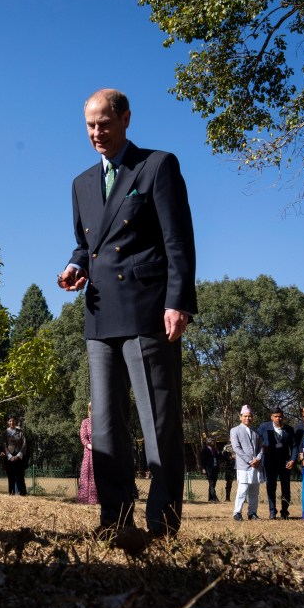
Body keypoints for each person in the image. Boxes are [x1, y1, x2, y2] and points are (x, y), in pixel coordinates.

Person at [57, 88, 197, 537]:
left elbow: (178, 241)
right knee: (105, 427)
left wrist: (178, 301)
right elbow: (87, 244)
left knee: (159, 423)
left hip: (148, 312)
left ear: (126, 119)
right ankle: (115, 520)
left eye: (104, 123)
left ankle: (162, 523)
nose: (96, 133)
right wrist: (75, 266)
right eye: (89, 126)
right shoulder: (80, 184)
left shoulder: (157, 165)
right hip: (99, 315)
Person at [258, 409, 294, 519]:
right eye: (276, 416)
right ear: (271, 417)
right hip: (269, 461)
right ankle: (272, 511)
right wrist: (262, 446)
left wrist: (292, 459)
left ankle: (284, 511)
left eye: (280, 416)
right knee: (271, 486)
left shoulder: (289, 429)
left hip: (284, 462)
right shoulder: (264, 427)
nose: (278, 418)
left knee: (286, 487)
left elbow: (294, 446)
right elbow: (255, 438)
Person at [230, 405, 264, 521]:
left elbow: (261, 448)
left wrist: (258, 459)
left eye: (249, 416)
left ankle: (252, 513)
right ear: (240, 417)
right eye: (245, 416)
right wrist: (250, 460)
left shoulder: (256, 432)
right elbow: (236, 448)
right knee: (242, 490)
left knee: (254, 491)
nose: (247, 418)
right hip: (244, 466)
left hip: (256, 466)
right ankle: (237, 513)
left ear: (252, 417)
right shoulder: (235, 430)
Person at [76, 403, 98, 504]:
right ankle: (87, 500)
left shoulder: (101, 421)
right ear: (89, 410)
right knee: (89, 476)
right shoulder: (85, 422)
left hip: (103, 452)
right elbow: (83, 438)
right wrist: (90, 446)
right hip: (90, 453)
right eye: (90, 409)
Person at [2, 415, 28, 496]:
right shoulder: (5, 433)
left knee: (20, 476)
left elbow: (24, 444)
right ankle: (11, 493)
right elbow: (4, 445)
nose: (11, 422)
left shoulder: (20, 432)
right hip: (9, 457)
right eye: (10, 421)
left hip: (19, 457)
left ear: (15, 422)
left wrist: (19, 455)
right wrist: (9, 456)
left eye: (13, 421)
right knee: (11, 477)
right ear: (8, 422)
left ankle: (22, 493)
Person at [199, 437, 220, 502]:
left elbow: (219, 457)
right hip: (209, 469)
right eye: (213, 441)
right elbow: (202, 460)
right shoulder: (205, 450)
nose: (214, 443)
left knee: (213, 484)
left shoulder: (215, 450)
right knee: (211, 483)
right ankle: (214, 498)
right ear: (209, 443)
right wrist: (203, 468)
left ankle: (210, 498)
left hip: (215, 468)